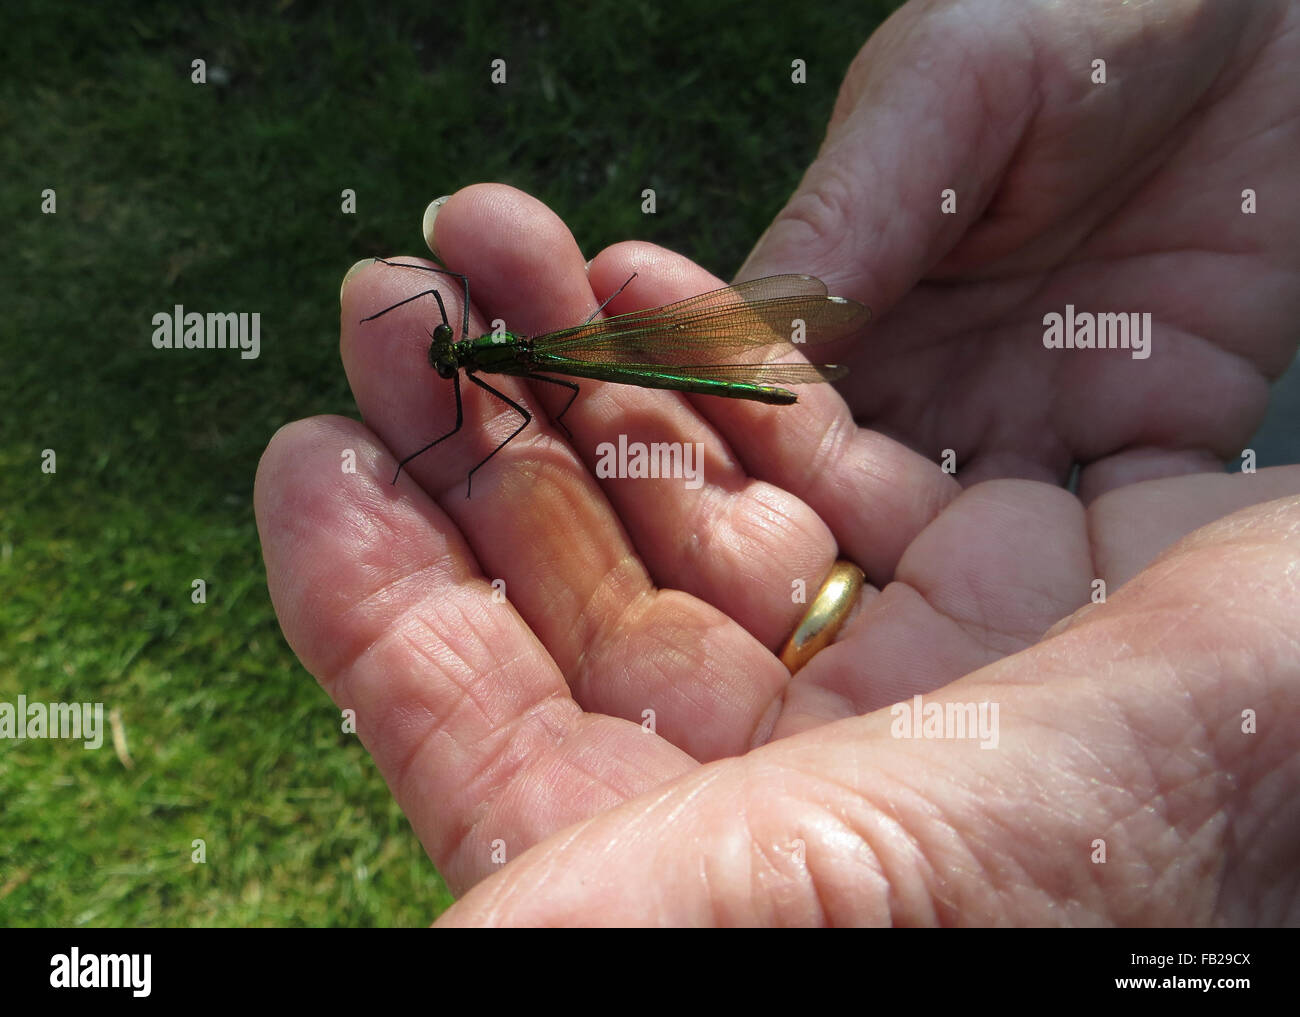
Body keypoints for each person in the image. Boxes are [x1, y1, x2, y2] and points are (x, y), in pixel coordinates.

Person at [255, 0, 1300, 925]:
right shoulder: (478, 346)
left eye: (449, 349)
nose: (446, 351)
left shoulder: (493, 359)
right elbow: (492, 361)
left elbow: (531, 399)